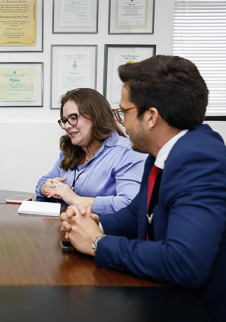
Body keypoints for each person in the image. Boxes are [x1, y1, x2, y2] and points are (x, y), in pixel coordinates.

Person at [60, 55, 226, 321]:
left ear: (151, 117)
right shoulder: (159, 153)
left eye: (123, 112)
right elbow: (138, 213)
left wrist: (97, 242)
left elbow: (184, 263)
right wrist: (92, 224)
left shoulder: (199, 160)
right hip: (156, 294)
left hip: (193, 309)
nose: (120, 121)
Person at [36, 88, 146, 214]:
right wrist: (46, 187)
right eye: (65, 120)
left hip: (103, 230)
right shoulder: (70, 152)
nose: (67, 126)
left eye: (73, 117)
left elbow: (128, 204)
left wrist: (76, 200)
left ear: (96, 116)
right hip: (66, 227)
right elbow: (43, 181)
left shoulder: (129, 152)